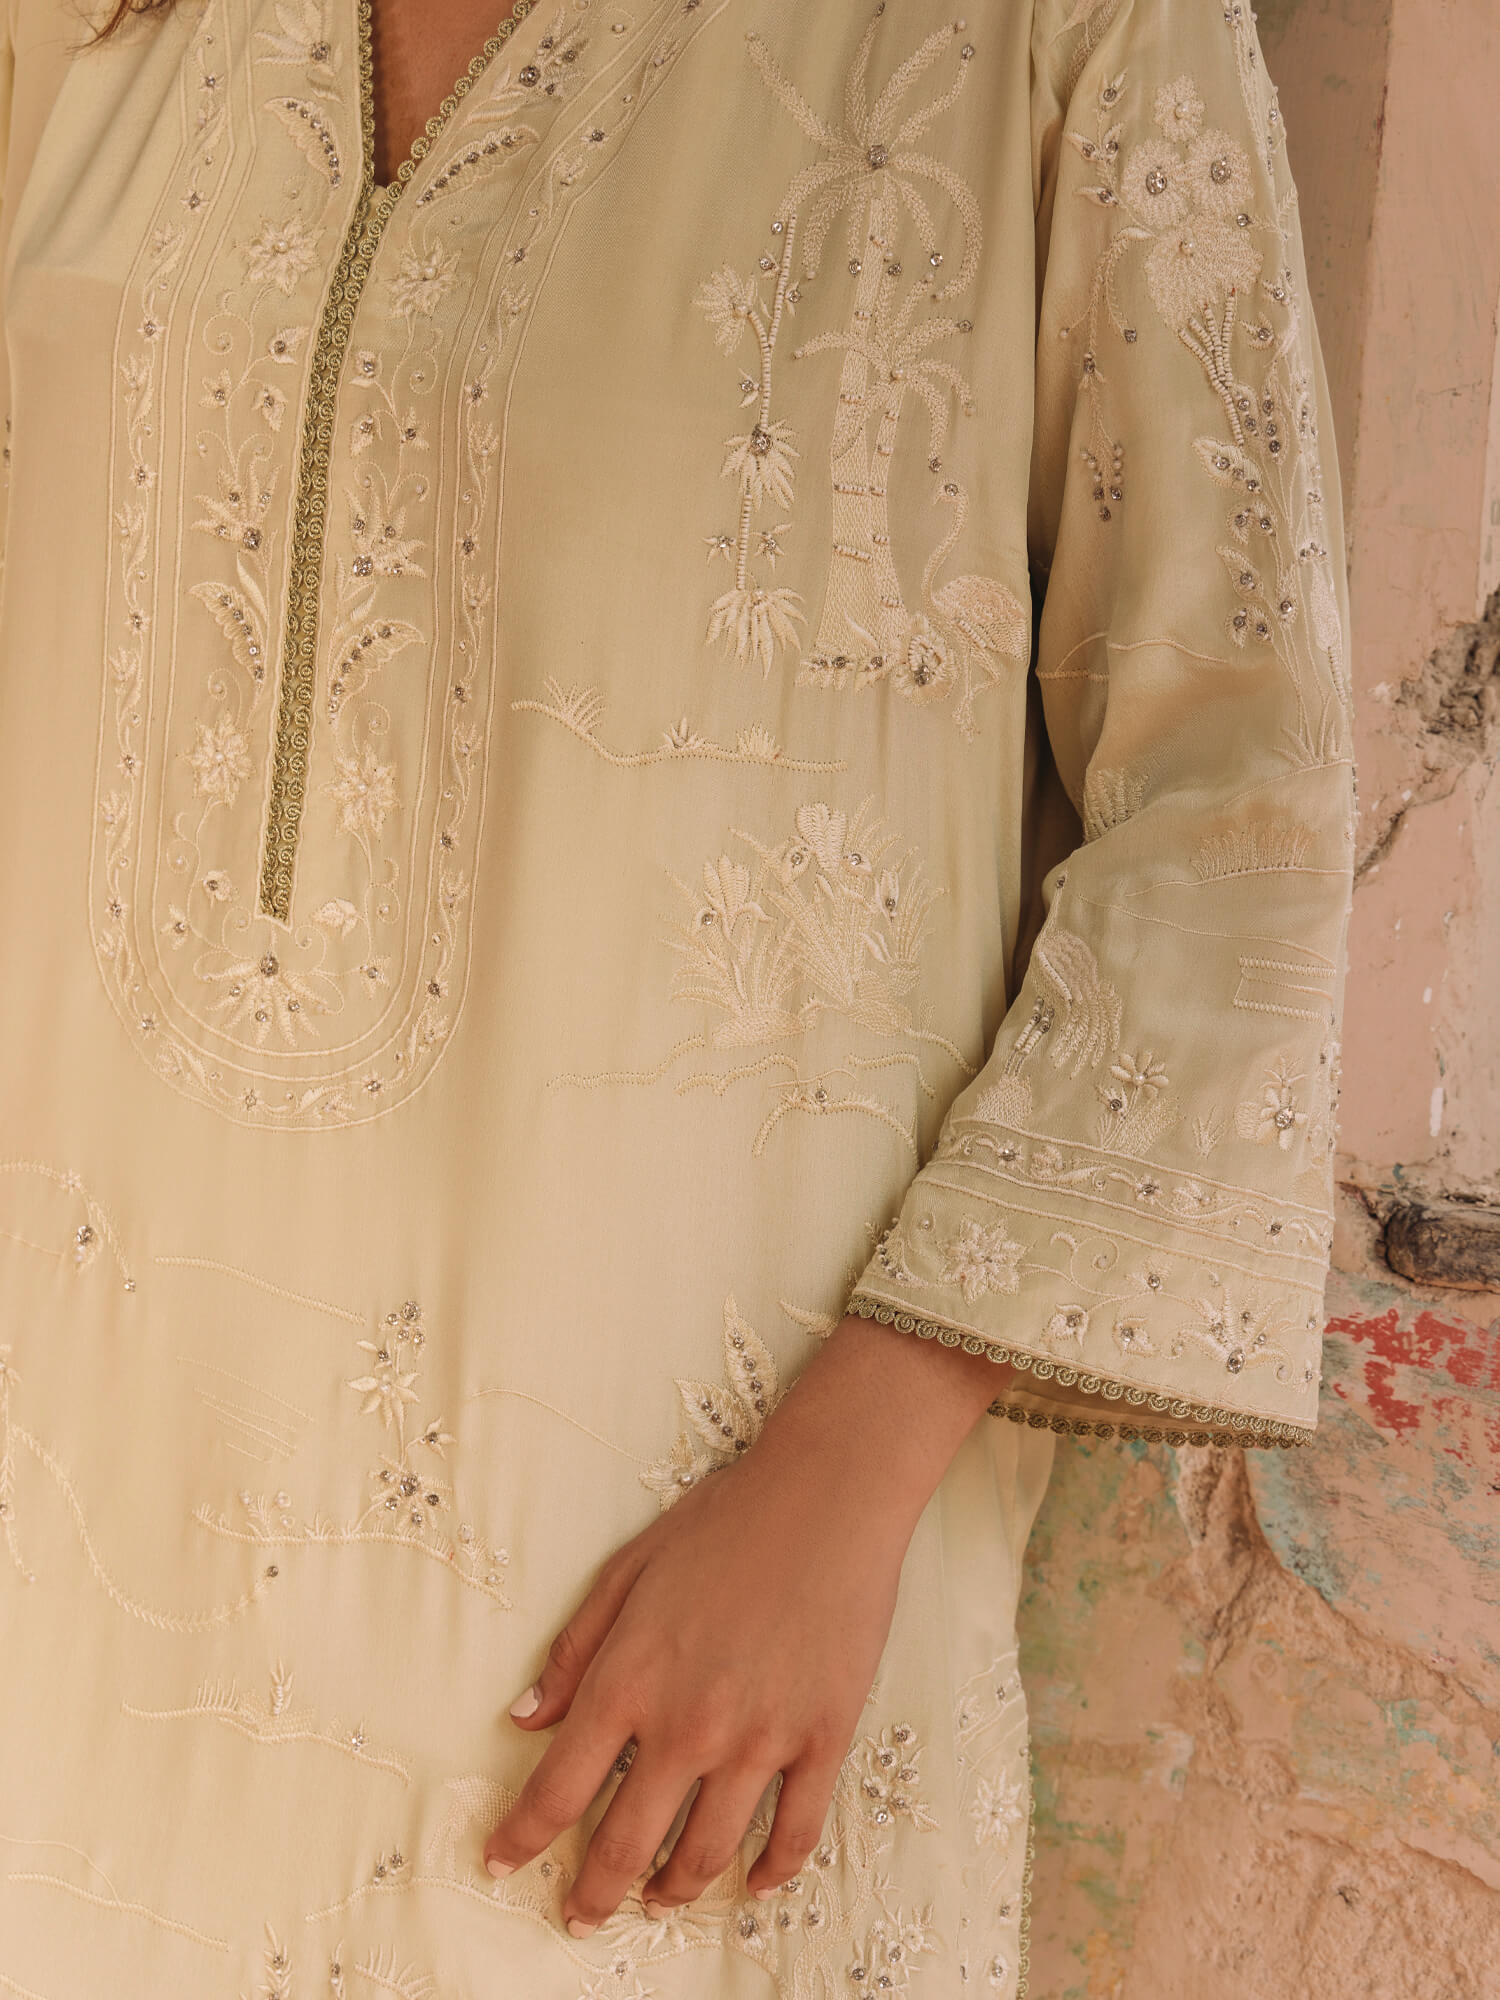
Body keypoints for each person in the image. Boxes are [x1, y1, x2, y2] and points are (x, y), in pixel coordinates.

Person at [0, 0, 1355, 1991]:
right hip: (67, 1529)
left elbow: (1236, 799)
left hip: (652, 1631)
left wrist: (850, 1475)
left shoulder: (1059, 36)